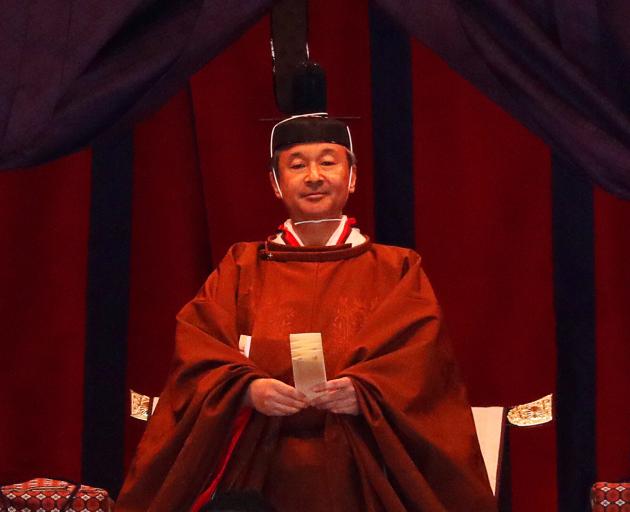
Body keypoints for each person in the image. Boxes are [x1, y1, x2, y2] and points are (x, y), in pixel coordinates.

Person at [115, 114, 496, 512]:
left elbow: (423, 363)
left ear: (352, 178)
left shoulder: (397, 268)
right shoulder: (242, 266)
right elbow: (199, 350)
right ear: (276, 184)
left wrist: (367, 391)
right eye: (297, 165)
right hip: (258, 456)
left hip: (365, 459)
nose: (314, 176)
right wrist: (245, 388)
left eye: (328, 161)